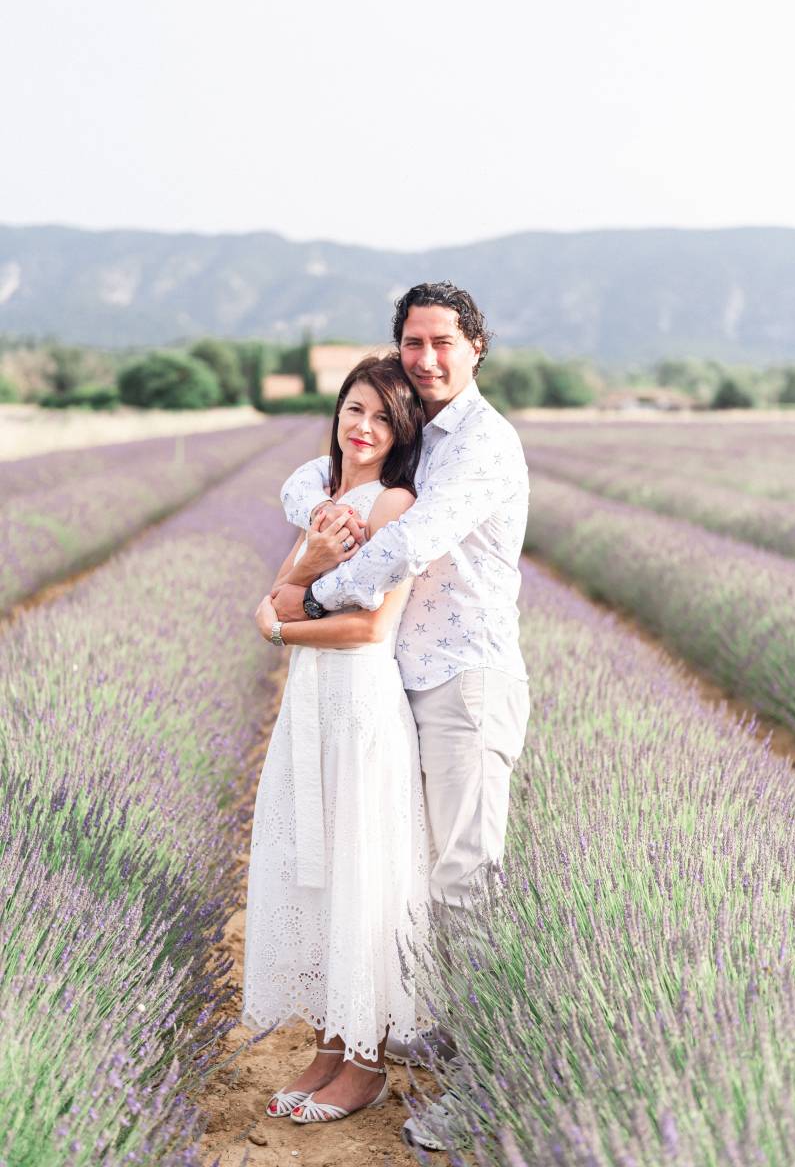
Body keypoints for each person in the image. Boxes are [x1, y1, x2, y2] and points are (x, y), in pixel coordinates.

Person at [272, 281, 531, 1151]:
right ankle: (430, 1030)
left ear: (476, 348)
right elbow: (315, 473)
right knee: (409, 874)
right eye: (412, 342)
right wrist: (315, 512)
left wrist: (306, 590)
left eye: (442, 343)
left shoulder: (483, 444)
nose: (425, 358)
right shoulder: (418, 432)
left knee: (466, 886)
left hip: (466, 683)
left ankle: (489, 1087)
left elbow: (411, 544)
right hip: (402, 687)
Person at [242, 354, 431, 1125]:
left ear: (401, 432)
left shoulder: (393, 505)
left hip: (357, 700)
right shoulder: (324, 498)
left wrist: (286, 624)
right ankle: (326, 1048)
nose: (364, 427)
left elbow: (366, 627)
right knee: (312, 866)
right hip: (310, 703)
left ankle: (366, 1064)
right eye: (356, 409)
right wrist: (309, 570)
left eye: (384, 418)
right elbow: (279, 594)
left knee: (361, 866)